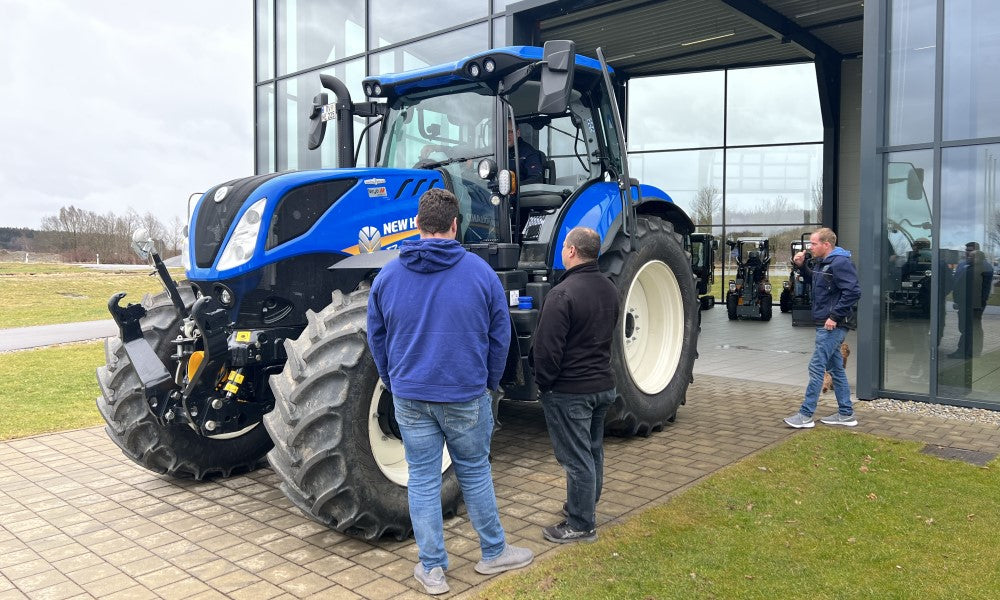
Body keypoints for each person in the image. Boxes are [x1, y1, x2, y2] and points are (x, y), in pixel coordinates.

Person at [367, 188, 533, 595]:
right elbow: (501, 338)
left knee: (423, 479)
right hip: (465, 394)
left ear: (418, 225)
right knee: (474, 471)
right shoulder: (480, 274)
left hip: (410, 396)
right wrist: (489, 382)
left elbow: (376, 336)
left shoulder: (387, 275)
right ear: (455, 226)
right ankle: (493, 553)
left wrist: (392, 379)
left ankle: (433, 570)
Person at [532, 227, 620, 543]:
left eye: (565, 246)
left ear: (570, 251)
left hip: (571, 391)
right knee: (592, 450)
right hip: (601, 386)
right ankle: (582, 506)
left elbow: (547, 350)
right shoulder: (610, 288)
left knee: (576, 459)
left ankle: (581, 524)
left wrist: (544, 384)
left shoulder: (562, 294)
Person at [784, 227, 861, 429]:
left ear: (826, 244)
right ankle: (846, 414)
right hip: (825, 323)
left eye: (814, 244)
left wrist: (835, 317)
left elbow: (853, 291)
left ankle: (805, 415)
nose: (811, 247)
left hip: (832, 325)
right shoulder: (824, 263)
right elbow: (818, 282)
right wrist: (801, 267)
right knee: (836, 369)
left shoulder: (840, 262)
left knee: (816, 366)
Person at [949, 242, 994, 359]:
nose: (967, 253)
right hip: (965, 302)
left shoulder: (983, 267)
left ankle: (968, 351)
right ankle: (969, 350)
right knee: (967, 327)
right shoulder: (964, 265)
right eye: (967, 251)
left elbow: (982, 288)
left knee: (971, 327)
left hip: (973, 304)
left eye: (970, 251)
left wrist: (979, 303)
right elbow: (957, 282)